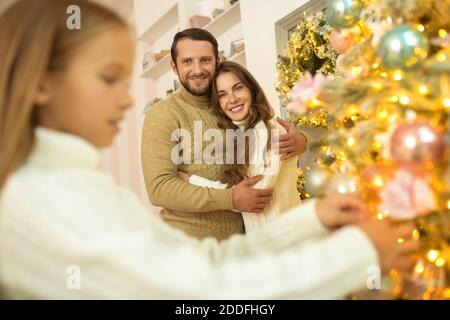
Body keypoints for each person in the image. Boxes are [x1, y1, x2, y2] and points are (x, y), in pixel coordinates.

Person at [0, 0, 419, 299]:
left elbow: (218, 263)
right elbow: (200, 285)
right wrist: (359, 252)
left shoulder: (78, 182)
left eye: (209, 64)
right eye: (109, 78)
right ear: (40, 84)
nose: (127, 100)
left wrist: (311, 215)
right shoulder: (48, 197)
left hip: (238, 241)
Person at [141, 28, 308, 240]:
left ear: (217, 60)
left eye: (205, 60)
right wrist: (229, 198)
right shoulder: (163, 114)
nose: (197, 69)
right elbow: (159, 189)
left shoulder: (229, 108)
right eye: (187, 62)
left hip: (244, 242)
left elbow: (263, 134)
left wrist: (301, 140)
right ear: (174, 66)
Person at [179, 61, 301, 232]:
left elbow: (254, 196)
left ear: (251, 90)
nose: (232, 99)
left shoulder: (270, 130)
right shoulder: (240, 135)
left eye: (237, 88)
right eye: (222, 94)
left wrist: (191, 180)